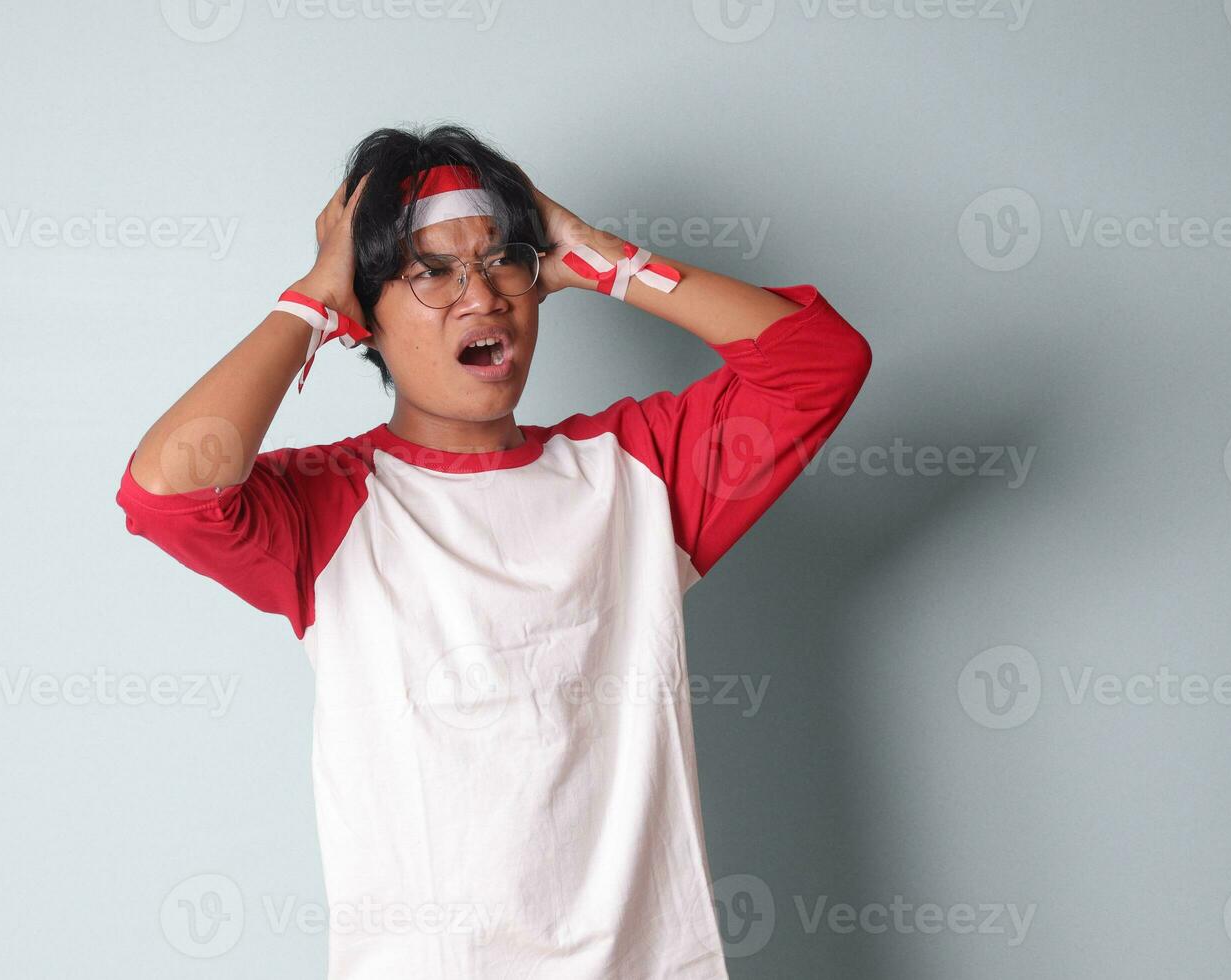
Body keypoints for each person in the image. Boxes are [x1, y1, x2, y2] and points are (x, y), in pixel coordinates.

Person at [115, 124, 873, 979]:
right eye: (430, 271)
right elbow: (166, 490)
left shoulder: (634, 474)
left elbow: (819, 361)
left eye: (503, 259)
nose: (480, 296)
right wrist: (315, 294)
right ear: (367, 318)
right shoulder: (331, 505)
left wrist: (597, 254)